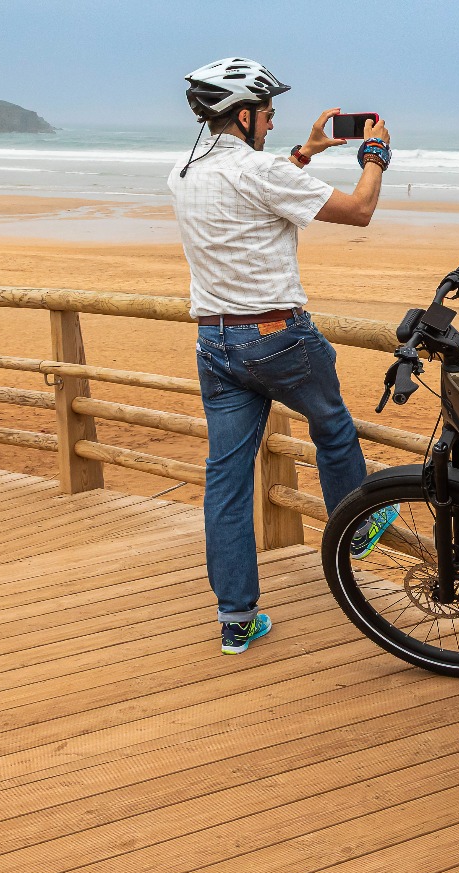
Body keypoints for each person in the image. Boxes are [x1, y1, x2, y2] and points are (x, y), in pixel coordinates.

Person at [168, 57, 394, 655]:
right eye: (267, 113)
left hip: (214, 342)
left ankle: (236, 617)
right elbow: (360, 211)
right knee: (333, 426)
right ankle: (360, 522)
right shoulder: (260, 173)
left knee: (226, 481)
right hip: (278, 337)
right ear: (244, 115)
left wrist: (308, 151)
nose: (271, 122)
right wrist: (375, 158)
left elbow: (262, 187)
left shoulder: (184, 173)